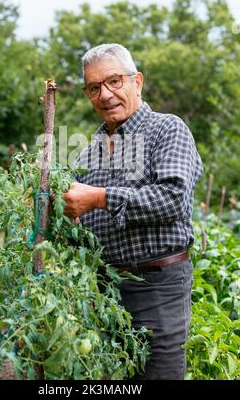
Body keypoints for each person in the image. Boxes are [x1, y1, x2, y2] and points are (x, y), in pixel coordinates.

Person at [62, 43, 203, 380]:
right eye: (94, 88)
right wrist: (65, 214)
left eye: (114, 81)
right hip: (105, 292)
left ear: (136, 81)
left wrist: (97, 198)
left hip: (157, 286)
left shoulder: (166, 130)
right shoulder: (88, 153)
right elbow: (80, 223)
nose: (105, 94)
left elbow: (173, 198)